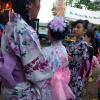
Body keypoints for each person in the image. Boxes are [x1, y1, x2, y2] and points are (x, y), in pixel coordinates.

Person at [0, 0, 53, 99]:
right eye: (38, 2)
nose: (39, 7)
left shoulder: (10, 25)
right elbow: (36, 71)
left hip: (7, 87)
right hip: (22, 91)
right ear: (29, 4)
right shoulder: (25, 30)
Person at [42, 16, 75, 100]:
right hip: (60, 86)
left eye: (48, 31)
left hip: (47, 86)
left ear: (52, 34)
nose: (47, 33)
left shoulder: (45, 51)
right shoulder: (64, 49)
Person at [67, 20, 90, 100]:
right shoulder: (72, 44)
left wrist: (69, 59)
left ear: (84, 31)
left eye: (78, 27)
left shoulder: (83, 45)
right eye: (75, 27)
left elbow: (84, 64)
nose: (75, 29)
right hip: (69, 77)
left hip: (76, 79)